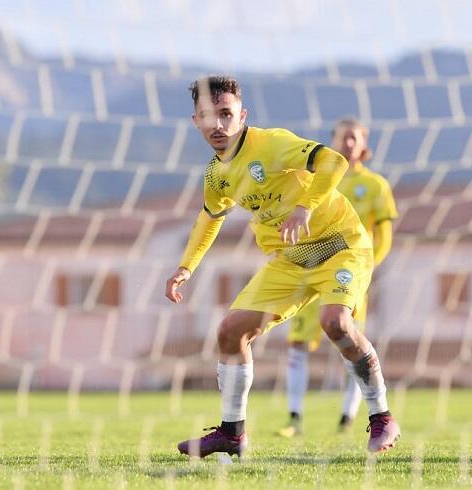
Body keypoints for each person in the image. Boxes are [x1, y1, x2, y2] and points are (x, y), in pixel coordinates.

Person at [165, 76, 401, 457]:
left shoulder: (271, 144)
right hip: (292, 260)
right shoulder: (215, 174)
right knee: (230, 332)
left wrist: (304, 206)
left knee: (336, 324)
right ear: (196, 120)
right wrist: (186, 268)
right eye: (209, 116)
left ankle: (382, 416)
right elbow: (210, 218)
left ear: (242, 116)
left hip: (340, 245)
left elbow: (334, 160)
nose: (218, 125)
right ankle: (232, 433)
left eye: (226, 114)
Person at [278, 117, 397, 437]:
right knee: (298, 342)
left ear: (363, 145)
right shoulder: (317, 180)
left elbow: (384, 235)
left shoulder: (375, 185)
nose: (347, 143)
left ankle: (347, 417)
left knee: (349, 339)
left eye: (353, 138)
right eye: (342, 137)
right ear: (331, 142)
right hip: (313, 267)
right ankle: (294, 418)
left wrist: (366, 267)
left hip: (349, 273)